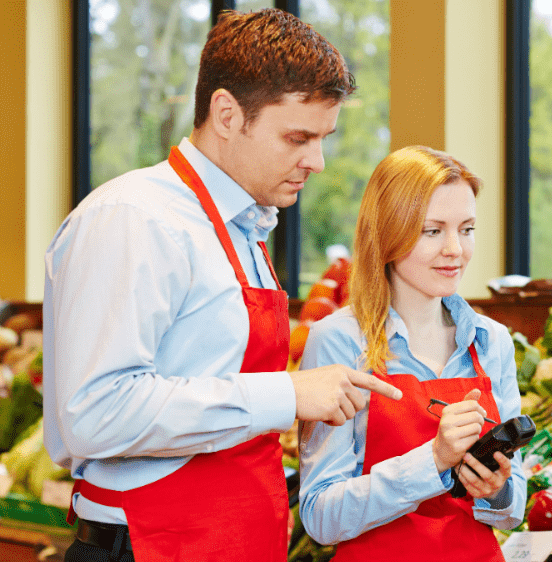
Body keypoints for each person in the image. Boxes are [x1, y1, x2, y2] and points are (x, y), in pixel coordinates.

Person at [42, 9, 401, 562]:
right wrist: (287, 394)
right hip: (149, 547)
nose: (318, 161)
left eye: (323, 138)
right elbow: (94, 413)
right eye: (298, 137)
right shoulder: (134, 218)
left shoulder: (244, 228)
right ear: (227, 114)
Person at [297, 146, 526, 561]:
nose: (455, 249)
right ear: (387, 233)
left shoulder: (492, 341)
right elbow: (319, 516)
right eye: (432, 230)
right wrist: (433, 461)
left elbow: (513, 509)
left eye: (467, 229)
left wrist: (498, 490)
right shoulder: (338, 341)